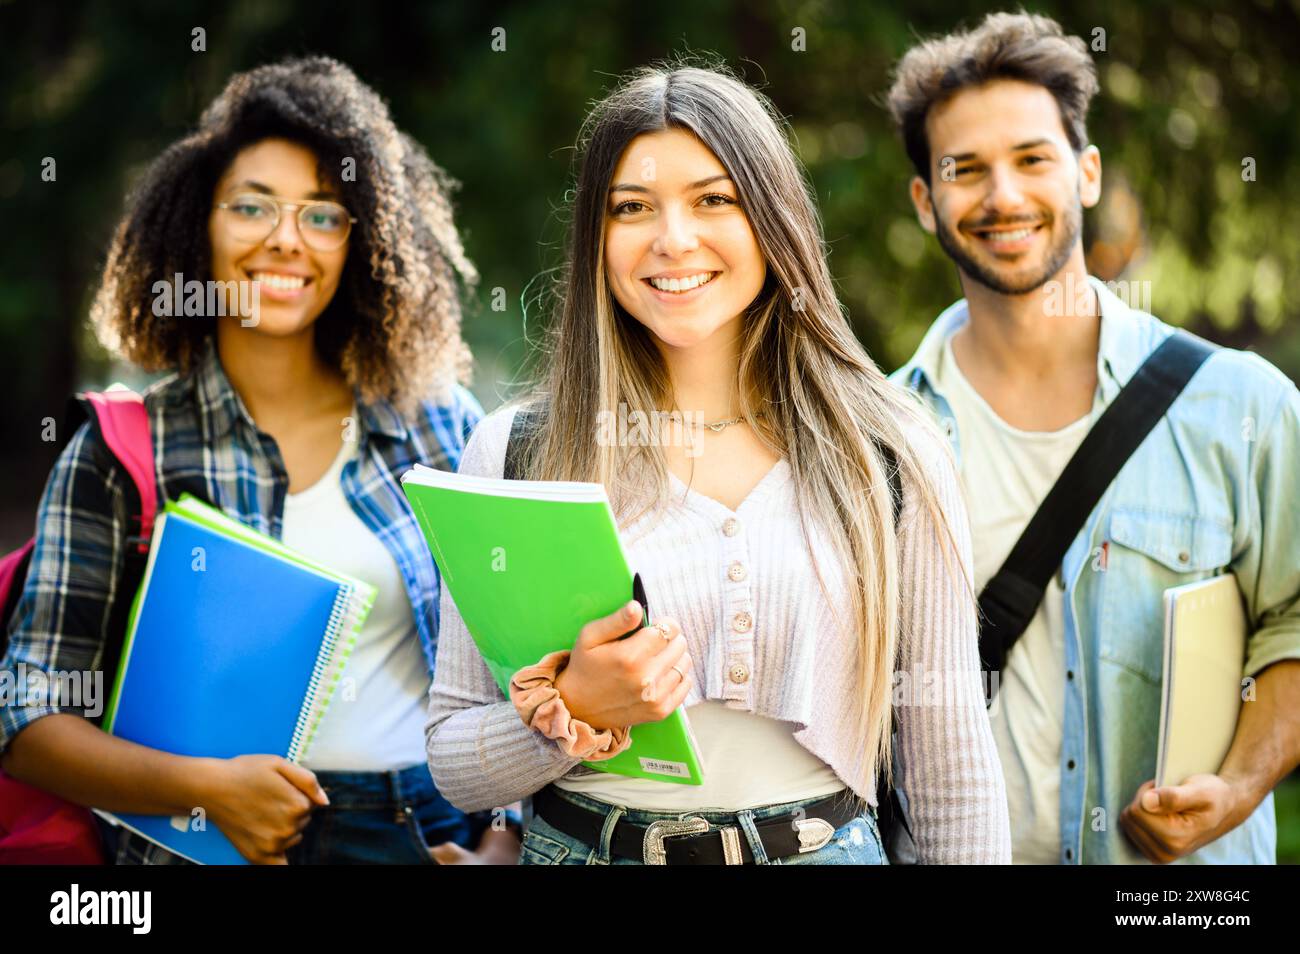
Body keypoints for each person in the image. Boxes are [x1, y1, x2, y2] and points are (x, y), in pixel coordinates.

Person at [426, 61, 1011, 865]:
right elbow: (453, 760)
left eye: (714, 200)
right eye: (632, 208)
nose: (673, 239)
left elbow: (953, 771)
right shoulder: (517, 452)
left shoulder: (890, 450)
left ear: (772, 218)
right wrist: (572, 708)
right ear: (596, 237)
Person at [0, 56, 522, 864]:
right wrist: (206, 790)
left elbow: (517, 668)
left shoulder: (442, 428)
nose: (286, 239)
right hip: (203, 844)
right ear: (196, 226)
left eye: (323, 215)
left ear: (364, 243)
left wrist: (502, 842)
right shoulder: (119, 449)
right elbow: (28, 717)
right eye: (252, 207)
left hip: (426, 831)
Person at [886, 12, 1300, 863]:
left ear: (1086, 173)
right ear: (926, 201)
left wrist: (1240, 786)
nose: (1003, 196)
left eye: (1032, 159)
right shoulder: (875, 435)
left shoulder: (1240, 405)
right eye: (966, 170)